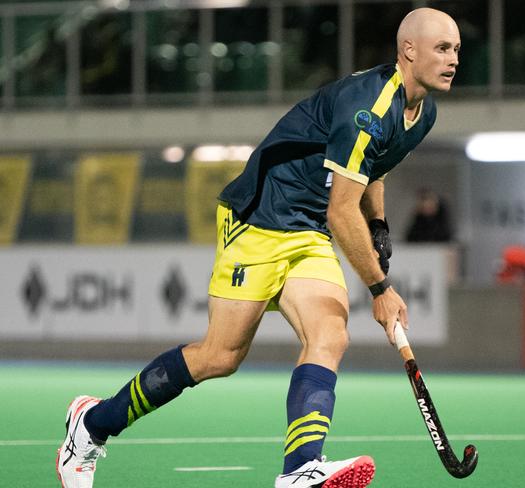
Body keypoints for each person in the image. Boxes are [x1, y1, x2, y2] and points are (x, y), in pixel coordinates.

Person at [56, 8, 461, 488]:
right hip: (260, 217)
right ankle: (92, 425)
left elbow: (376, 163)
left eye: (456, 49)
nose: (454, 59)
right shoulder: (366, 106)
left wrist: (379, 224)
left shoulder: (423, 112)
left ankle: (299, 469)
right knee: (220, 356)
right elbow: (340, 210)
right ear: (408, 51)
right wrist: (380, 287)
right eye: (442, 48)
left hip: (308, 228)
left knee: (329, 335)